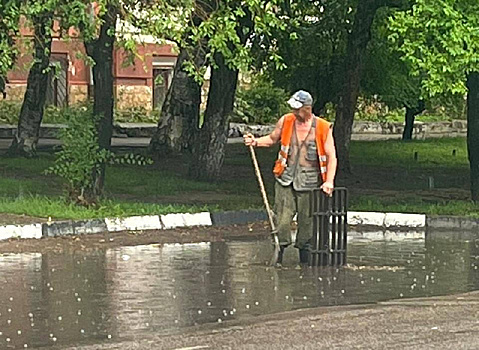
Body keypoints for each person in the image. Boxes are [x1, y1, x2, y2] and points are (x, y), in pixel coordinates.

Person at [244, 90, 337, 265]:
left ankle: (305, 259)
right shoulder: (286, 121)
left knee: (306, 222)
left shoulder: (323, 127)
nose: (294, 112)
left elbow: (332, 156)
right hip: (285, 179)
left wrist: (329, 181)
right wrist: (255, 142)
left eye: (297, 109)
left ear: (307, 109)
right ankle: (279, 254)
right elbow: (272, 139)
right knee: (282, 220)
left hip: (309, 183)